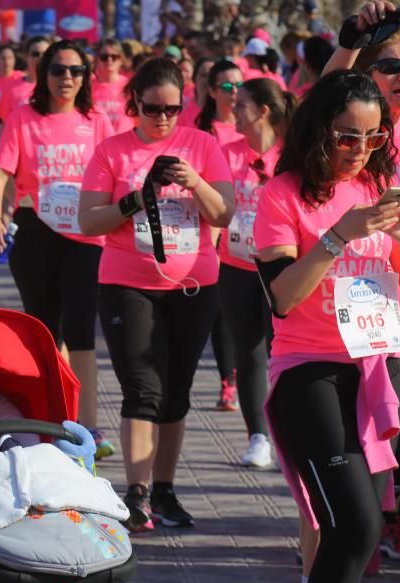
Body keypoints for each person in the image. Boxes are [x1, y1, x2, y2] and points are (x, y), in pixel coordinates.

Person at [255, 69, 400, 583]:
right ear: (320, 130)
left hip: (378, 367)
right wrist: (338, 237)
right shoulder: (283, 194)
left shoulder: (380, 184)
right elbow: (282, 297)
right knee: (355, 524)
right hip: (309, 371)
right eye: (349, 137)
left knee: (362, 536)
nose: (361, 150)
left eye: (373, 138)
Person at [79, 57, 235, 532]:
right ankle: (137, 491)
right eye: (152, 109)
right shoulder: (113, 150)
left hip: (194, 285)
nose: (163, 118)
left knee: (177, 393)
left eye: (173, 108)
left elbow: (224, 214)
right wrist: (134, 199)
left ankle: (165, 490)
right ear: (135, 104)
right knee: (143, 390)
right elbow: (89, 221)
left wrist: (195, 181)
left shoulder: (202, 145)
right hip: (128, 283)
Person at [0, 40, 116, 459]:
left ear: (86, 76)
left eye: (77, 71)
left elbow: (117, 173)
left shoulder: (96, 120)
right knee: (44, 332)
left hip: (86, 236)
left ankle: (90, 428)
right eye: (59, 70)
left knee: (81, 333)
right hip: (35, 230)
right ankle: (50, 422)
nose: (67, 78)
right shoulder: (24, 117)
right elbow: (0, 170)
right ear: (44, 73)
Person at [220, 78, 294, 469]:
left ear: (263, 110)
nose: (234, 110)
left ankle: (288, 433)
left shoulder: (291, 155)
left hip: (280, 269)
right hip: (235, 266)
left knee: (280, 352)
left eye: (241, 105)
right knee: (246, 354)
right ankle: (258, 437)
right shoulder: (225, 153)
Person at [197, 59, 246, 412]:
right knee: (222, 314)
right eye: (226, 86)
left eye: (239, 86)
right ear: (212, 91)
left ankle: (252, 375)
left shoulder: (252, 128)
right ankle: (228, 381)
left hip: (252, 231)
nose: (234, 93)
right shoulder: (202, 132)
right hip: (214, 229)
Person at [94, 38, 133, 132]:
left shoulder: (130, 85)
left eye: (114, 56)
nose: (109, 60)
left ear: (121, 59)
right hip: (98, 142)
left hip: (124, 142)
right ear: (97, 59)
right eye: (104, 57)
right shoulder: (88, 86)